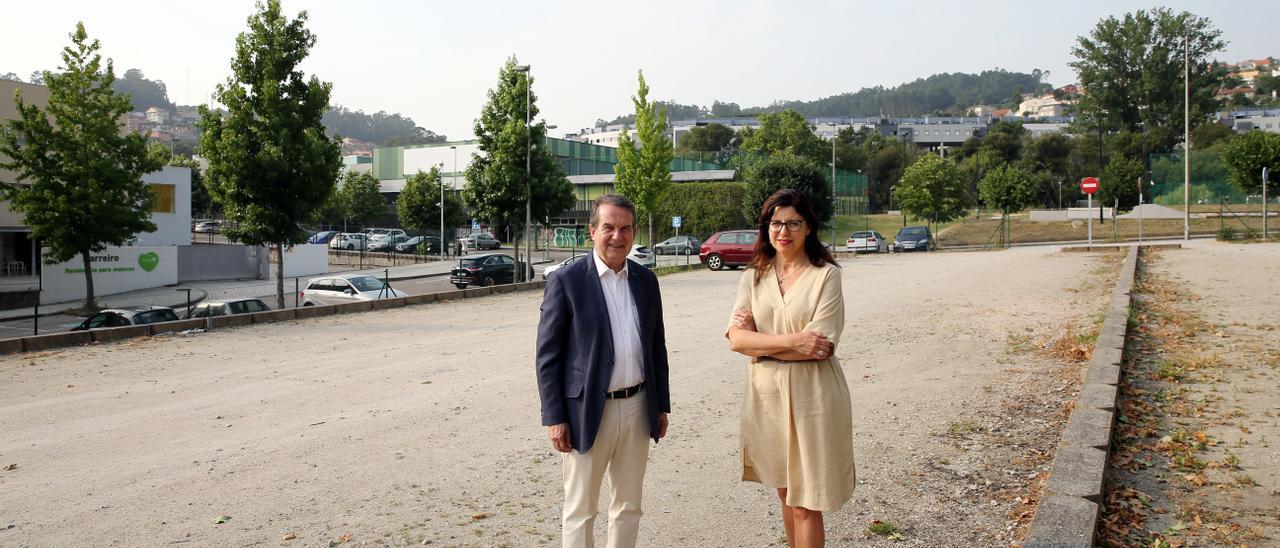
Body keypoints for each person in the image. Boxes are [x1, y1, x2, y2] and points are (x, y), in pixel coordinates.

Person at [535, 194, 671, 547]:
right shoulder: (567, 282)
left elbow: (656, 346)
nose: (617, 236)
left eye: (625, 228)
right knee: (580, 509)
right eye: (608, 227)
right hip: (587, 411)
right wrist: (555, 417)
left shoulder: (645, 280)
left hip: (639, 405)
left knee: (628, 506)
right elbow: (548, 356)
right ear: (591, 231)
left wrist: (661, 404)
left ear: (634, 232)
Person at [725, 189, 854, 547]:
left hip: (813, 396)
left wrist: (761, 344)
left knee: (806, 501)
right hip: (767, 397)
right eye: (775, 223)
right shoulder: (753, 277)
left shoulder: (826, 276)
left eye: (793, 223)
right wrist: (795, 342)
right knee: (784, 492)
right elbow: (736, 339)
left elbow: (820, 346)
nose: (784, 231)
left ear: (809, 227)